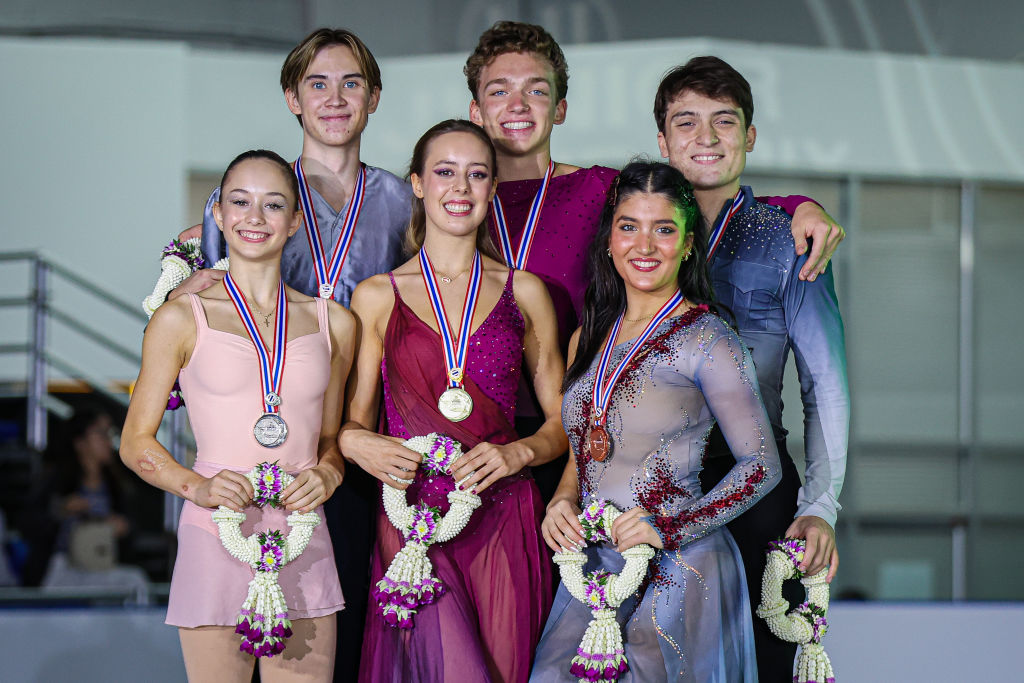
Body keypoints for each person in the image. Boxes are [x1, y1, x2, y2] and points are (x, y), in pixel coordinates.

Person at [464, 20, 844, 501]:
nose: (517, 106)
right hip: (477, 434)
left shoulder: (602, 189)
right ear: (475, 110)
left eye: (536, 90)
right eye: (500, 91)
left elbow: (688, 195)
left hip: (583, 433)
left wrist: (798, 205)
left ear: (560, 108)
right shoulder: (455, 200)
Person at [160, 29, 410, 679]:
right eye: (317, 83)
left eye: (351, 82)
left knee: (344, 643)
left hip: (357, 445)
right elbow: (182, 326)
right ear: (292, 97)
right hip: (264, 451)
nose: (335, 97)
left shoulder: (402, 203)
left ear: (374, 98)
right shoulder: (256, 197)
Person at [532, 161, 780, 682]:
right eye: (629, 226)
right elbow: (589, 450)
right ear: (608, 239)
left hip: (680, 564)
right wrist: (561, 499)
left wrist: (665, 528)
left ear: (687, 244)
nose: (644, 245)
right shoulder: (588, 336)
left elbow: (761, 466)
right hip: (595, 563)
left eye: (663, 229)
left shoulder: (708, 338)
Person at [340, 119, 566, 683]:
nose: (459, 187)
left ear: (492, 189)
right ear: (417, 183)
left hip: (503, 519)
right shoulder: (376, 297)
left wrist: (521, 454)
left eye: (477, 174)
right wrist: (357, 442)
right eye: (444, 171)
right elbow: (348, 426)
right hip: (413, 519)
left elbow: (566, 421)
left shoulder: (526, 291)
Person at [121, 150, 355, 681]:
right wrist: (196, 488)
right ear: (220, 215)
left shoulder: (334, 322)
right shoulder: (180, 318)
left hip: (303, 535)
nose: (255, 217)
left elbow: (332, 438)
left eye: (273, 205)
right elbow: (135, 441)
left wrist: (330, 472)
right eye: (240, 202)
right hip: (215, 532)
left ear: (296, 221)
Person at [655, 56, 849, 681]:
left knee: (762, 669)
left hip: (760, 492)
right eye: (686, 123)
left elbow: (827, 386)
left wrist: (820, 505)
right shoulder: (636, 236)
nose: (706, 138)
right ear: (662, 141)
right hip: (653, 491)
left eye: (725, 122)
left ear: (751, 137)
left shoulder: (791, 241)